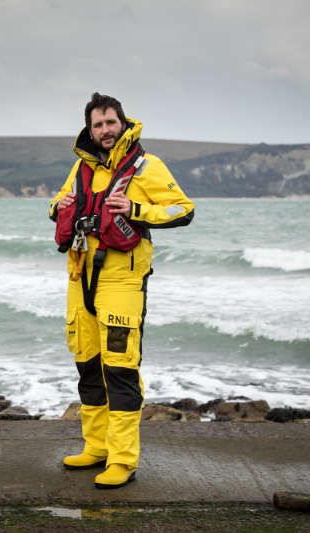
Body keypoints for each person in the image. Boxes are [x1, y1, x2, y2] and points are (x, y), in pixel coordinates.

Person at [50, 93, 194, 489]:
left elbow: (183, 209)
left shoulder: (147, 167)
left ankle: (122, 459)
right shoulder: (81, 167)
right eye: (98, 125)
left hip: (123, 280)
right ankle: (95, 447)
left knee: (120, 369)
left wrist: (136, 210)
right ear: (89, 130)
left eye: (111, 122)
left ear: (122, 122)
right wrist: (58, 204)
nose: (105, 130)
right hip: (80, 279)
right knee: (88, 366)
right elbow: (55, 206)